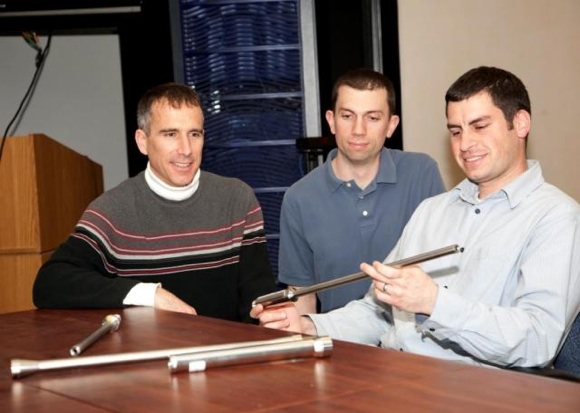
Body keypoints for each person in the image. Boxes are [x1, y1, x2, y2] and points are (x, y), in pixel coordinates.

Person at [252, 66, 580, 368]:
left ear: (520, 123)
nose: (465, 143)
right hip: (392, 374)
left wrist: (435, 303)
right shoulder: (433, 210)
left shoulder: (556, 217)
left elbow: (539, 340)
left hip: (474, 392)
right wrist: (310, 325)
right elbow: (379, 313)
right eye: (455, 130)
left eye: (479, 126)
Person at [33, 83, 276, 323]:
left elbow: (258, 301)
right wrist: (148, 294)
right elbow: (49, 283)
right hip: (151, 358)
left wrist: (273, 317)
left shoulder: (237, 199)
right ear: (142, 141)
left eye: (194, 134)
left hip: (226, 356)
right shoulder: (113, 210)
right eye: (170, 134)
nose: (186, 150)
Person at [279, 68, 445, 314]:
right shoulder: (299, 198)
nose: (358, 130)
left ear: (391, 125)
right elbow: (303, 298)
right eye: (347, 116)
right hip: (341, 344)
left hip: (414, 343)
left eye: (373, 118)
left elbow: (445, 271)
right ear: (331, 121)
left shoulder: (421, 173)